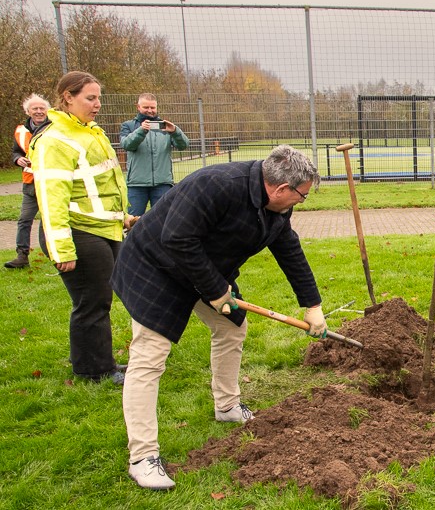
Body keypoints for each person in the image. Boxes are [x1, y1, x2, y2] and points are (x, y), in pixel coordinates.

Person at [112, 145, 328, 490]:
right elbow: (178, 239)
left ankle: (227, 405)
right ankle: (142, 457)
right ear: (281, 189)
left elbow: (288, 248)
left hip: (204, 269)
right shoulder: (215, 184)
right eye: (301, 197)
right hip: (155, 265)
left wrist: (312, 304)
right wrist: (215, 291)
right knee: (149, 356)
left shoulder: (274, 207)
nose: (300, 203)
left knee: (231, 328)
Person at [29, 71, 132, 384]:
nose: (97, 104)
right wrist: (62, 248)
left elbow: (100, 185)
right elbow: (51, 198)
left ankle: (101, 361)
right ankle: (94, 370)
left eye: (98, 97)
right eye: (90, 98)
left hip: (102, 228)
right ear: (67, 97)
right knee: (92, 301)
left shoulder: (89, 132)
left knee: (102, 297)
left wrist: (121, 215)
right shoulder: (55, 140)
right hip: (78, 232)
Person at [119, 93, 189, 216]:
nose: (150, 111)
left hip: (162, 184)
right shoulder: (128, 126)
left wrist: (175, 131)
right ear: (138, 107)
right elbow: (127, 145)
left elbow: (183, 145)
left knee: (161, 220)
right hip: (136, 184)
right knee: (133, 222)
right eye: (146, 107)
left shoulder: (165, 127)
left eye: (153, 107)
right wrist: (141, 131)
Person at [5, 94, 51, 269]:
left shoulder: (54, 128)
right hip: (30, 183)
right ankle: (21, 256)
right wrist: (18, 160)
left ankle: (59, 254)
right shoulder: (20, 131)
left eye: (42, 108)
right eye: (35, 109)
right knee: (24, 220)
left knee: (54, 220)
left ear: (47, 110)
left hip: (51, 182)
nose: (39, 112)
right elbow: (16, 152)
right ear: (28, 111)